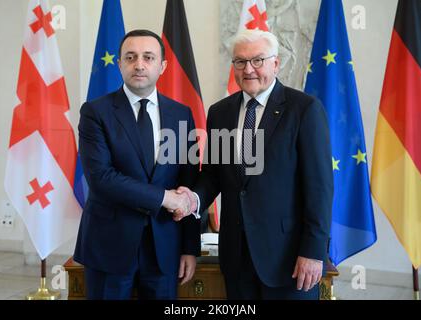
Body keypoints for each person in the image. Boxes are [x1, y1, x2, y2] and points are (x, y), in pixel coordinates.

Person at [177, 29, 333, 299]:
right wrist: (192, 198)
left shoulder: (304, 109)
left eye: (258, 60)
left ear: (275, 63)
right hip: (236, 257)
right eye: (240, 61)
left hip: (289, 259)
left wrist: (313, 251)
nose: (248, 69)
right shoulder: (220, 112)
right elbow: (214, 174)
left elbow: (320, 188)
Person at [73, 29, 200, 300]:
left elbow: (188, 183)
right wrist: (164, 198)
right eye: (130, 57)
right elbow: (101, 178)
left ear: (162, 66)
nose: (139, 64)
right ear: (119, 64)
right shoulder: (95, 112)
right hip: (109, 245)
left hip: (165, 247)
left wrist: (190, 247)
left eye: (148, 57)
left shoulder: (181, 114)